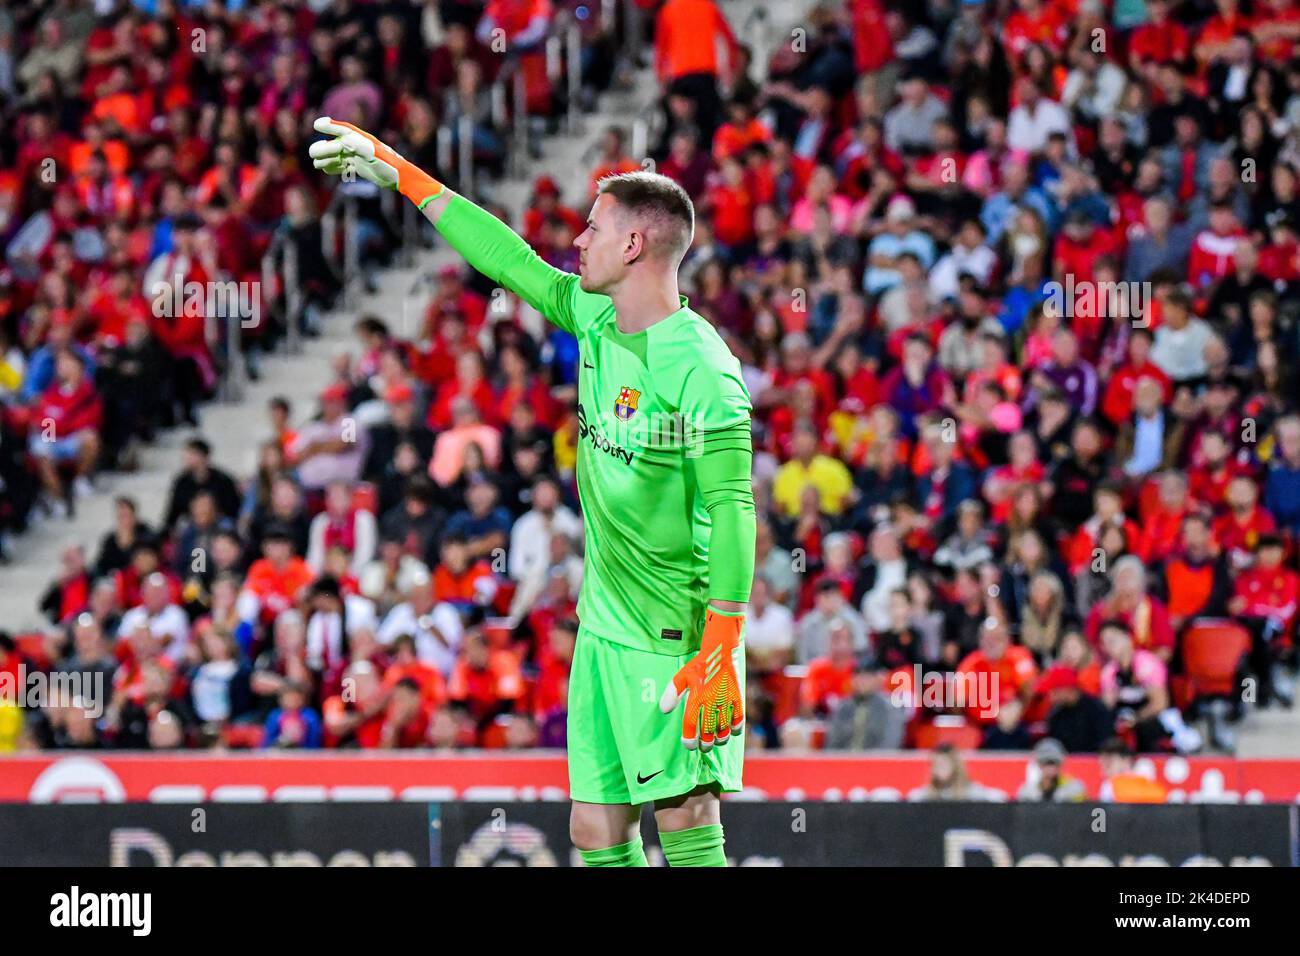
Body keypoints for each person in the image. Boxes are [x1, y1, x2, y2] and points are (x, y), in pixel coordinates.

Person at [312, 115, 757, 867]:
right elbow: (506, 259)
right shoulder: (593, 316)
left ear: (633, 245)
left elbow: (733, 508)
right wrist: (401, 171)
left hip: (676, 634)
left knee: (684, 823)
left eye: (592, 229)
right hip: (604, 621)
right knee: (594, 831)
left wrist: (722, 638)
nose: (577, 242)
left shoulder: (703, 371)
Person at [1015, 737, 1087, 802]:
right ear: (1039, 765)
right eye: (1046, 763)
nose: (1050, 768)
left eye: (1054, 763)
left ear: (1060, 764)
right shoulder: (1028, 791)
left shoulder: (1074, 788)